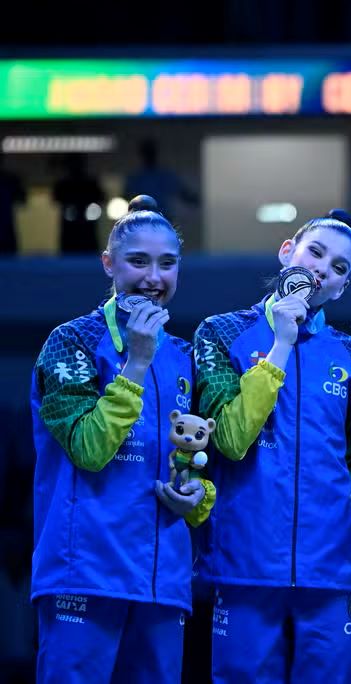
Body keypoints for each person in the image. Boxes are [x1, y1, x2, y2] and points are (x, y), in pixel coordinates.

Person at [193, 209, 351, 683]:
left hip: (333, 566)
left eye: (339, 267)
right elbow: (232, 440)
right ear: (288, 253)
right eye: (315, 253)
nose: (323, 269)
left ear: (342, 287)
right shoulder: (220, 334)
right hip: (245, 563)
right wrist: (281, 343)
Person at [31, 195, 214, 684]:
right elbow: (89, 450)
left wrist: (196, 496)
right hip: (85, 571)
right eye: (138, 261)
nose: (153, 278)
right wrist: (135, 361)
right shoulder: (70, 343)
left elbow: (193, 463)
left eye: (167, 264)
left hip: (163, 580)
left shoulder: (183, 355)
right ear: (108, 264)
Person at [124, 139, 199, 219]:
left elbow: (183, 193)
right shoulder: (136, 178)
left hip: (160, 218)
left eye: (150, 153)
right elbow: (126, 196)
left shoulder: (163, 175)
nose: (149, 156)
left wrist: (197, 199)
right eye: (147, 153)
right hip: (146, 219)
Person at [52, 154, 105, 254]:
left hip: (75, 229)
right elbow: (102, 198)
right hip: (84, 228)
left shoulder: (63, 184)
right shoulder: (90, 183)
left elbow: (55, 199)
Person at [0, 151, 26, 254]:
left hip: (7, 227)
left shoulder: (11, 179)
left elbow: (22, 200)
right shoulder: (11, 179)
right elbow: (22, 200)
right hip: (7, 228)